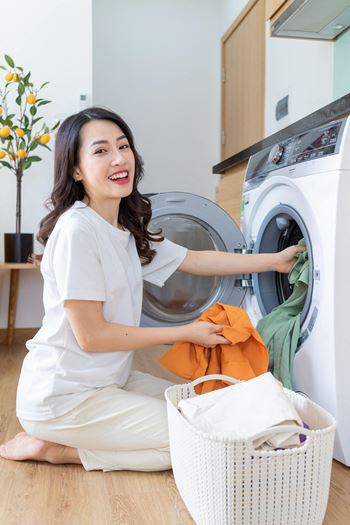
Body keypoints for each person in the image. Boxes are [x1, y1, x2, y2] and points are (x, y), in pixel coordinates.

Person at [0, 107, 304, 472]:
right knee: (197, 442)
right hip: (64, 397)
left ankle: (69, 442)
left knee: (207, 411)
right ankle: (57, 449)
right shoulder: (77, 231)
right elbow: (91, 336)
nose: (118, 158)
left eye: (123, 146)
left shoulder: (124, 230)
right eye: (100, 151)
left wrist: (274, 261)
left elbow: (196, 260)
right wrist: (186, 332)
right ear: (76, 170)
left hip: (111, 381)